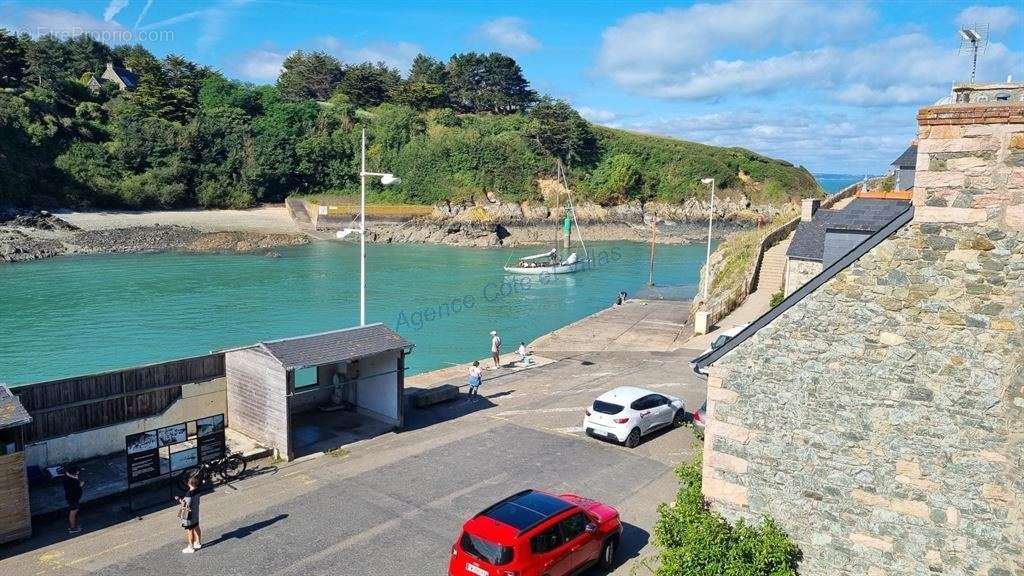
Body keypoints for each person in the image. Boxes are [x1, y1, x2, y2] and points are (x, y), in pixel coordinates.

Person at [175, 476, 202, 553]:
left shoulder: (189, 494)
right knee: (197, 526)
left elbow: (186, 504)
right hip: (196, 512)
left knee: (190, 530)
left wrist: (179, 499)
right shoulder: (198, 490)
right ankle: (198, 542)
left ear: (190, 483)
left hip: (189, 515)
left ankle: (191, 547)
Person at [62, 464, 84, 534]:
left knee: (74, 511)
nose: (78, 474)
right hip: (73, 499)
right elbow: (77, 487)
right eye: (77, 472)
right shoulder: (72, 481)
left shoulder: (67, 477)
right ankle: (73, 528)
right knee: (73, 512)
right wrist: (81, 484)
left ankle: (73, 526)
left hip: (72, 498)